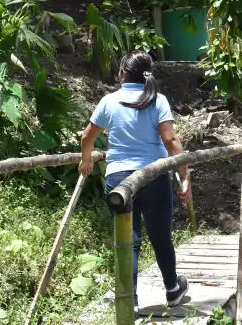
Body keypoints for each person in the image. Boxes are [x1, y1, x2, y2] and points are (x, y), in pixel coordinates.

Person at [78, 50, 189, 315]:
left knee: (129, 239)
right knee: (161, 235)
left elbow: (87, 137)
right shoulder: (157, 100)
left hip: (118, 178)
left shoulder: (109, 101)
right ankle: (173, 290)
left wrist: (86, 161)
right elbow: (171, 142)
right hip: (154, 175)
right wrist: (185, 174)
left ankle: (131, 298)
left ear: (122, 73)